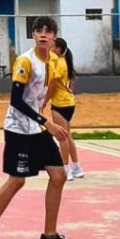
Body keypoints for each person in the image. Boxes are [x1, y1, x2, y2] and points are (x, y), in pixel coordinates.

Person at [0, 15, 81, 239]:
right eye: (38, 30)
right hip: (19, 128)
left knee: (59, 175)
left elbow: (52, 87)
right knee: (17, 181)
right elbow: (16, 101)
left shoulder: (54, 61)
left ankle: (49, 237)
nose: (43, 34)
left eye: (48, 31)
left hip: (37, 128)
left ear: (54, 37)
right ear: (33, 35)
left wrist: (49, 111)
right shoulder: (25, 61)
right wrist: (47, 122)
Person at [49, 36, 83, 180]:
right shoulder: (65, 62)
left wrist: (44, 100)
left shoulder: (59, 64)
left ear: (58, 49)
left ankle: (66, 169)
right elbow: (71, 80)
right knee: (68, 136)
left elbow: (53, 84)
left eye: (53, 45)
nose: (50, 47)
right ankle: (76, 167)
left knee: (62, 137)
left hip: (60, 104)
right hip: (69, 103)